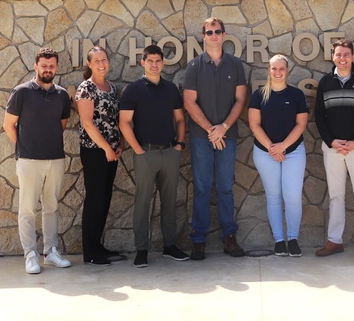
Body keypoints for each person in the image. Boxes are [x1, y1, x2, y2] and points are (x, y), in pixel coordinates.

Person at [182, 17, 248, 260]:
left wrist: (224, 127)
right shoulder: (194, 67)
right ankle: (198, 240)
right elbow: (189, 102)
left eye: (217, 31)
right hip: (202, 137)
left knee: (225, 188)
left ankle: (229, 237)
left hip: (227, 137)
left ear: (224, 34)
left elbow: (241, 100)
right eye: (209, 32)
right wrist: (212, 129)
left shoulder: (235, 65)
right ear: (203, 35)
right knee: (200, 188)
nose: (213, 35)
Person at [118, 44, 190, 268]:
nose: (155, 64)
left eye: (158, 60)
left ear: (163, 63)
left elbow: (179, 119)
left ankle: (170, 246)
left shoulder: (170, 90)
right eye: (150, 60)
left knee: (169, 201)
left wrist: (179, 145)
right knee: (142, 201)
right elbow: (124, 123)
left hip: (170, 152)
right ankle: (142, 249)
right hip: (145, 153)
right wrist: (138, 149)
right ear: (143, 62)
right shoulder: (133, 90)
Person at [2, 47, 72, 274]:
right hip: (29, 160)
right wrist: (24, 147)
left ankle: (51, 252)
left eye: (52, 66)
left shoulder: (61, 95)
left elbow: (61, 126)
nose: (48, 69)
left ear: (57, 67)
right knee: (28, 210)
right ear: (36, 66)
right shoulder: (21, 92)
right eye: (44, 66)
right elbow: (8, 125)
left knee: (51, 207)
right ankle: (30, 254)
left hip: (55, 159)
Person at [313, 39, 354, 261]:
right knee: (336, 196)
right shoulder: (325, 83)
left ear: (353, 57)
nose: (342, 58)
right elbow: (319, 117)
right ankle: (334, 241)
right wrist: (331, 141)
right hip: (332, 149)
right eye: (338, 54)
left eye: (346, 55)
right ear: (333, 56)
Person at [248, 54, 309, 257]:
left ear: (287, 70)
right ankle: (279, 241)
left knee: (292, 196)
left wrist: (282, 146)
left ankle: (293, 238)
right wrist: (272, 148)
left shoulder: (297, 95)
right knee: (273, 197)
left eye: (281, 69)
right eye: (274, 69)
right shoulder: (259, 95)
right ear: (269, 70)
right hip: (265, 153)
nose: (277, 72)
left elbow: (301, 124)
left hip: (293, 152)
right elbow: (254, 124)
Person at [75, 46, 125, 266]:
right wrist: (106, 147)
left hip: (111, 151)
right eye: (97, 61)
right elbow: (87, 122)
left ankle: (97, 245)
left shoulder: (112, 88)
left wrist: (119, 144)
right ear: (89, 64)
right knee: (95, 198)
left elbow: (115, 120)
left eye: (104, 59)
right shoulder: (86, 88)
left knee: (104, 198)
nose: (102, 64)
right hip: (95, 151)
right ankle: (90, 252)